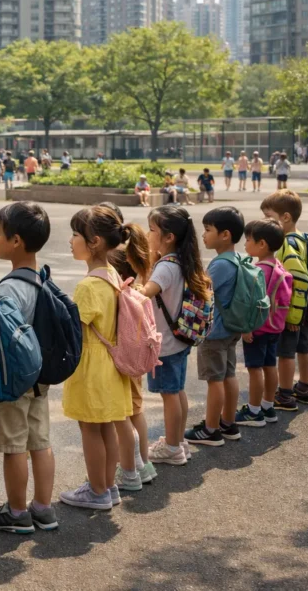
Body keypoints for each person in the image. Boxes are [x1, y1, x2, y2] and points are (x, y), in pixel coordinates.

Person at [59, 206, 143, 510]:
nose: (70, 241)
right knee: (106, 425)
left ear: (94, 242)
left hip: (91, 366)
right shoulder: (112, 274)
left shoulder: (88, 286)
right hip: (111, 364)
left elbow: (74, 330)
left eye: (75, 235)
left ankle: (96, 491)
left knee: (90, 429)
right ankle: (107, 486)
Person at [0, 202, 59, 534]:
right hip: (40, 378)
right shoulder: (43, 278)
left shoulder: (9, 287)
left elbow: (1, 339)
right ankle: (43, 508)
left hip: (16, 380)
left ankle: (16, 512)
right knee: (40, 441)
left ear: (15, 241)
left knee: (14, 446)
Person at [141, 205, 210, 466]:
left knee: (169, 395)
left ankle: (171, 448)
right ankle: (178, 442)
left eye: (151, 230)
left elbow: (145, 292)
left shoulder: (165, 267)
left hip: (165, 344)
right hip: (180, 339)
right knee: (177, 391)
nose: (148, 234)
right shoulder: (182, 261)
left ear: (168, 237)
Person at [100, 202, 156, 490]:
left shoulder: (117, 288)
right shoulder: (133, 273)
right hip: (136, 356)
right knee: (136, 411)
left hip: (122, 360)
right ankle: (142, 464)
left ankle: (130, 468)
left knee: (123, 416)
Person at [186, 207, 246, 447]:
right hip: (231, 329)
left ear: (225, 235)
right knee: (229, 375)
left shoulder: (220, 264)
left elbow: (202, 292)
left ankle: (211, 430)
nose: (203, 234)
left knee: (215, 380)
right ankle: (228, 423)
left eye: (208, 229)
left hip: (214, 332)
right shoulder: (238, 259)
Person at [235, 219, 292, 428]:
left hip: (257, 328)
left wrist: (246, 328)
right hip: (274, 327)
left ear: (262, 244)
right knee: (269, 366)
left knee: (255, 369)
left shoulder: (258, 270)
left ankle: (253, 411)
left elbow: (251, 302)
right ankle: (268, 406)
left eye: (248, 240)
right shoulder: (278, 266)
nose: (245, 244)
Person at [260, 190, 308, 411]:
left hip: (291, 310)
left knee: (286, 353)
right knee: (304, 347)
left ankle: (285, 395)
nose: (265, 221)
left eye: (268, 217)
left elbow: (298, 279)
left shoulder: (286, 243)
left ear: (286, 217)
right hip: (303, 307)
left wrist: (292, 316)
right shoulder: (303, 238)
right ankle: (304, 389)